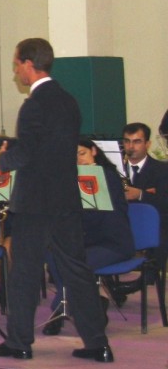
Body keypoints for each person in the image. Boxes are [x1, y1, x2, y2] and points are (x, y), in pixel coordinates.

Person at [0, 37, 112, 362]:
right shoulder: (67, 100)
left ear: (28, 64)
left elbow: (28, 151)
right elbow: (47, 144)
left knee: (24, 273)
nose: (15, 70)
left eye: (16, 63)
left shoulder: (34, 104)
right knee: (77, 272)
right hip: (64, 200)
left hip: (36, 204)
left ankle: (19, 341)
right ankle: (97, 343)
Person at [44, 139, 134, 334]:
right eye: (73, 156)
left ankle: (60, 309)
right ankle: (96, 298)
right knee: (53, 254)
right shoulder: (70, 179)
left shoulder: (108, 176)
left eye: (82, 153)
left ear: (93, 151)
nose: (78, 159)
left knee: (76, 264)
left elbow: (98, 217)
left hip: (113, 243)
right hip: (87, 241)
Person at [120, 122, 168, 289]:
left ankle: (146, 278)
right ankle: (110, 287)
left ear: (148, 144)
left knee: (162, 232)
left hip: (153, 224)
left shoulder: (162, 170)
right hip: (121, 222)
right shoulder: (115, 170)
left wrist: (139, 194)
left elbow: (164, 201)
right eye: (127, 141)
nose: (131, 146)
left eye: (137, 141)